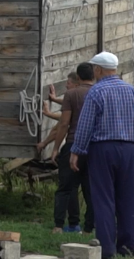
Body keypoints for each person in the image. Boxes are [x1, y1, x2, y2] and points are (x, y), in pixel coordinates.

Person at [70, 52, 134, 259]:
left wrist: (77, 151)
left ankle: (106, 248)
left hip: (103, 148)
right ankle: (128, 247)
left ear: (98, 70)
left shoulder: (96, 92)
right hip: (129, 148)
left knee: (103, 198)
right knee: (127, 197)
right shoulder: (131, 91)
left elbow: (85, 125)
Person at [36, 63, 96, 234]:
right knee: (90, 189)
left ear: (78, 77)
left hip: (73, 144)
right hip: (93, 147)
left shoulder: (71, 94)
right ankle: (89, 228)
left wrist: (55, 148)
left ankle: (59, 226)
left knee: (65, 188)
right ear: (94, 75)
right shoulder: (100, 92)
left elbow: (63, 123)